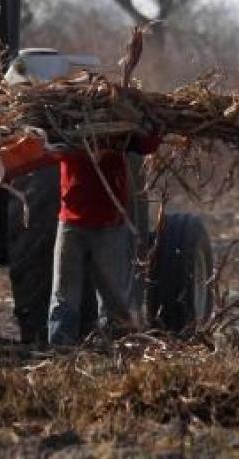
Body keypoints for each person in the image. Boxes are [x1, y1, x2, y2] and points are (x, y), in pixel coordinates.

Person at [47, 128, 161, 346]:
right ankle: (60, 355)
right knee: (63, 297)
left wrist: (156, 124)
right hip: (71, 221)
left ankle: (118, 352)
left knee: (114, 298)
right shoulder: (63, 123)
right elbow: (50, 149)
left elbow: (146, 144)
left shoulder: (117, 123)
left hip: (108, 223)